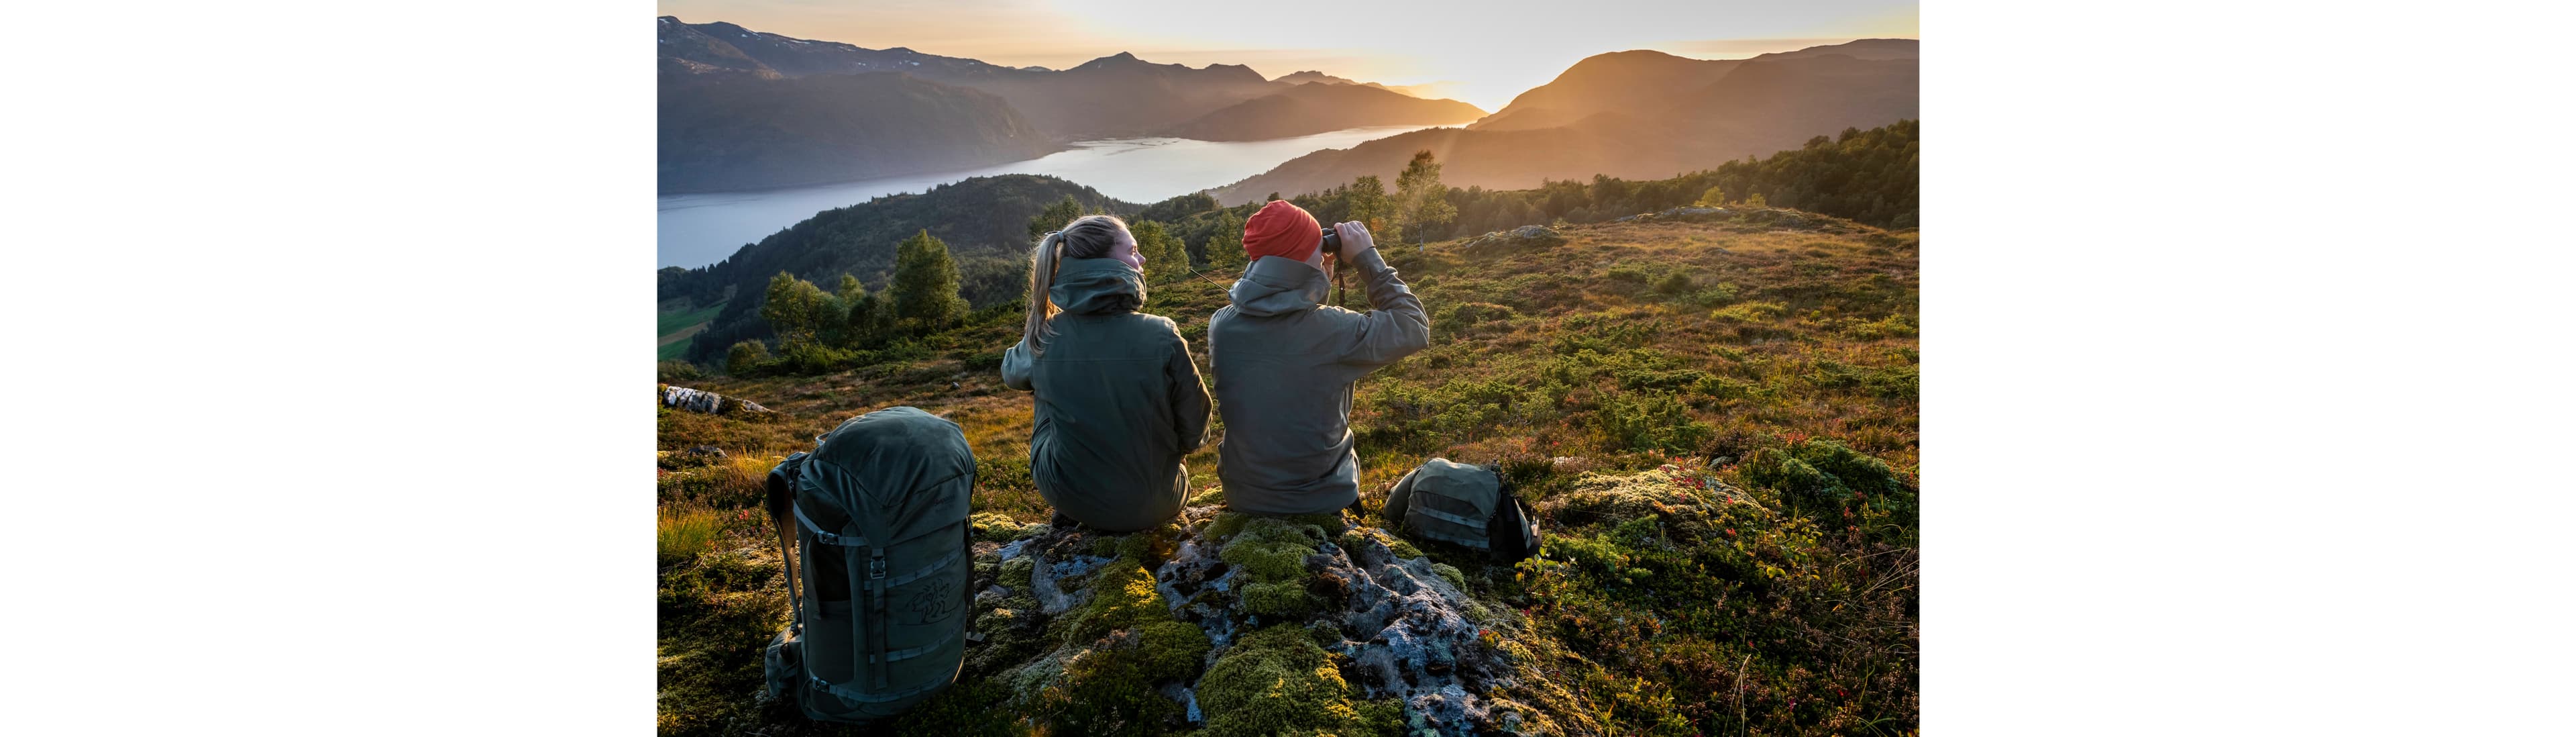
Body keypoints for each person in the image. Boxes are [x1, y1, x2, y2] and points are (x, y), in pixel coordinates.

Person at [1208, 201, 1429, 515]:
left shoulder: (1221, 323)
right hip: (1318, 499)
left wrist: (1314, 275)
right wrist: (1368, 260)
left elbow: (1294, 330)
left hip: (1244, 495)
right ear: (1304, 258)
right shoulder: (1333, 330)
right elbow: (1414, 326)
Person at [1001, 215, 1212, 532]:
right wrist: (1177, 455)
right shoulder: (1162, 333)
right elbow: (1197, 423)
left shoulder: (1045, 336)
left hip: (1070, 498)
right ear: (1103, 261)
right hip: (1161, 500)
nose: (1141, 259)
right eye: (1133, 250)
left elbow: (1011, 375)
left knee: (1044, 386)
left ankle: (1081, 492)